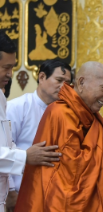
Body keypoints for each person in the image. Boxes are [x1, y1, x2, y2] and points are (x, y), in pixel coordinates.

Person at [15, 61, 103, 212]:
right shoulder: (61, 113)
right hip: (55, 202)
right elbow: (72, 169)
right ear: (81, 82)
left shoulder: (89, 114)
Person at [0, 31, 62, 212]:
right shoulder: (19, 106)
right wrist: (25, 156)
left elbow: (7, 143)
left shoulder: (1, 97)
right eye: (6, 67)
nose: (10, 74)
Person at [5, 59, 72, 210]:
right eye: (59, 80)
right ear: (42, 77)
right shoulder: (17, 107)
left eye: (68, 83)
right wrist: (10, 192)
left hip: (55, 196)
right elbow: (3, 151)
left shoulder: (67, 114)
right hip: (20, 192)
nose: (64, 87)